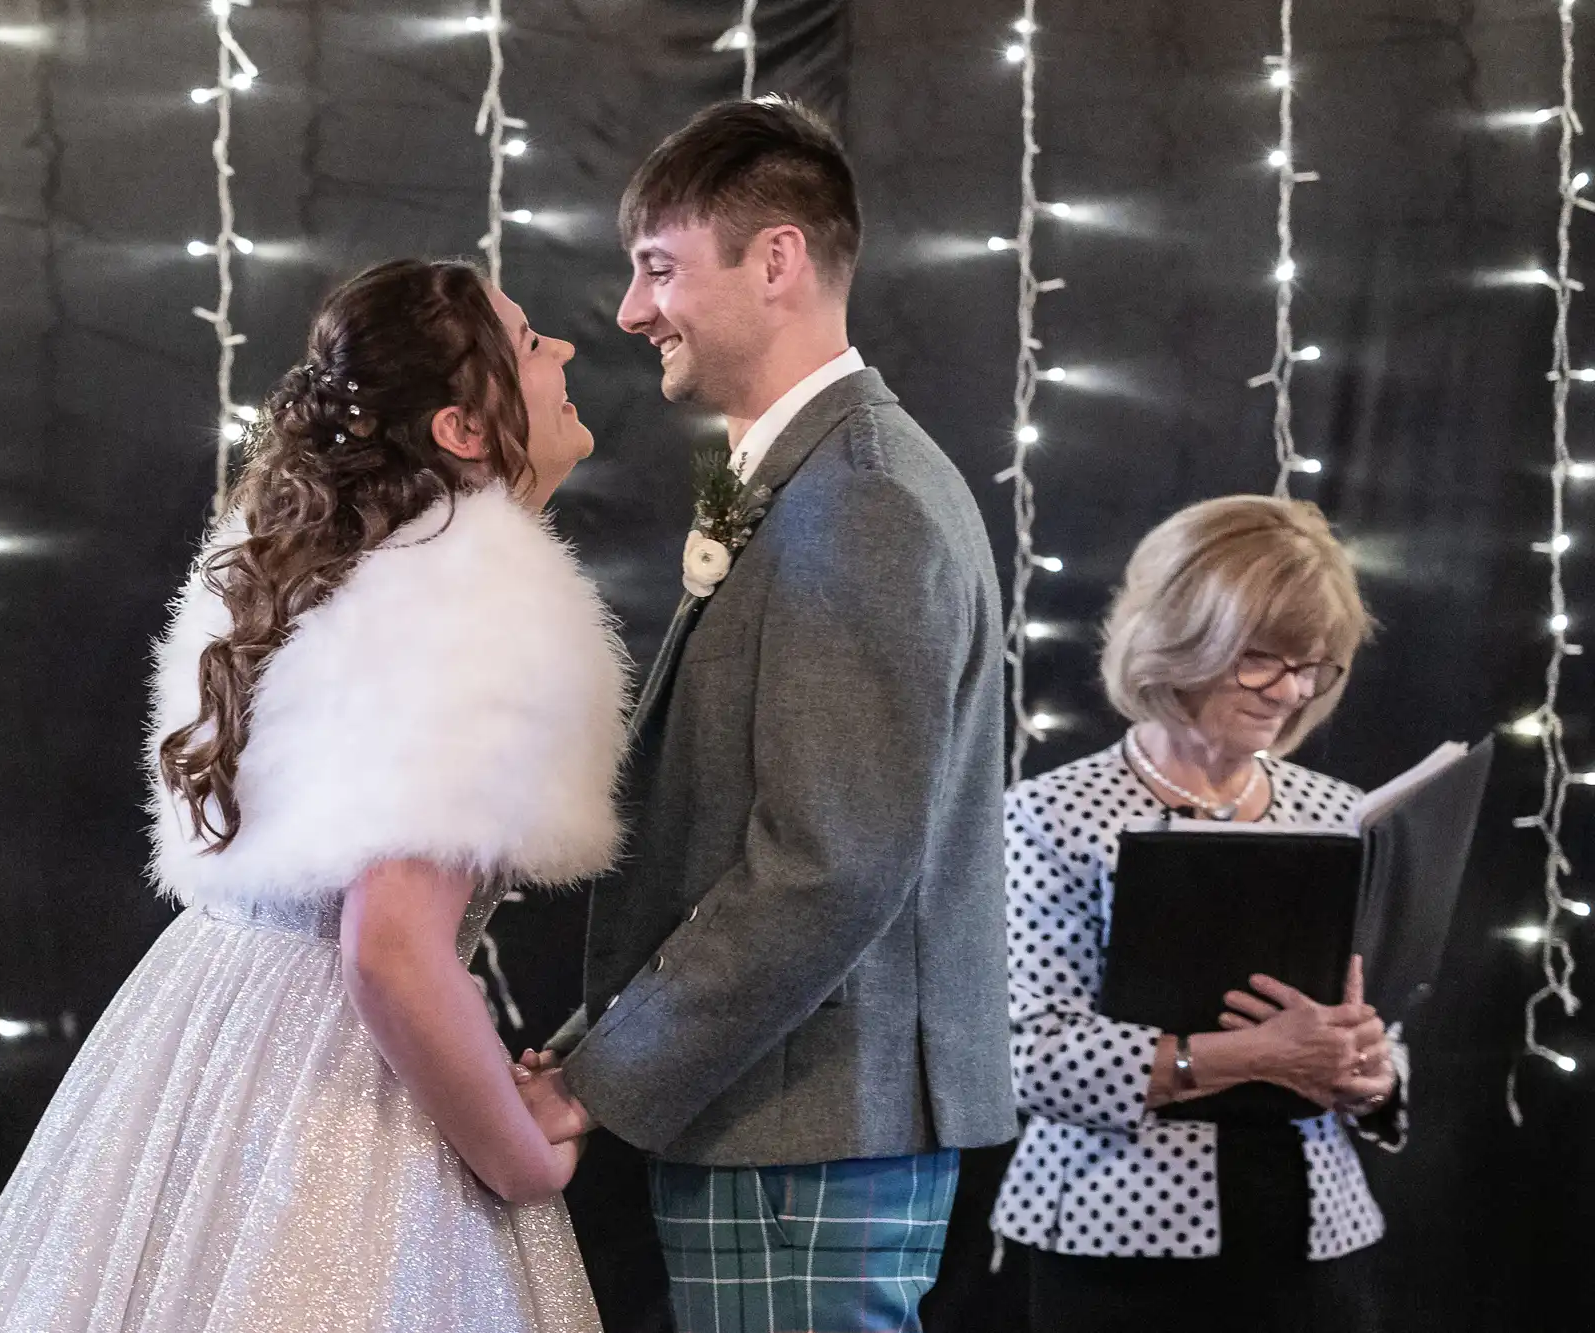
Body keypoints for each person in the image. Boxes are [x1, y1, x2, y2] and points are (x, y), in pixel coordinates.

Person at [0, 259, 629, 1332]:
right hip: (335, 1093)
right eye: (531, 342)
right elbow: (389, 946)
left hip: (198, 1045)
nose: (564, 353)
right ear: (463, 429)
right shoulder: (477, 601)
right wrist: (522, 1156)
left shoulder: (319, 564)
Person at [518, 97, 1017, 1333]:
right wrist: (596, 1038)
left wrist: (599, 1081)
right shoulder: (809, 477)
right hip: (783, 1113)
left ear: (777, 260)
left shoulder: (860, 497)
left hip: (805, 1125)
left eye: (658, 267)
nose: (632, 312)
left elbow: (826, 866)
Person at [989, 495, 1406, 1333]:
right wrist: (1250, 1053)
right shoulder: (1052, 814)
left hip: (1314, 1239)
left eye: (1314, 664)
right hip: (1117, 1242)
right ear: (1178, 642)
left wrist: (1374, 1070)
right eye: (1261, 658)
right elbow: (1027, 1055)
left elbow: (1383, 1017)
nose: (1290, 690)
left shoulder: (1343, 813)